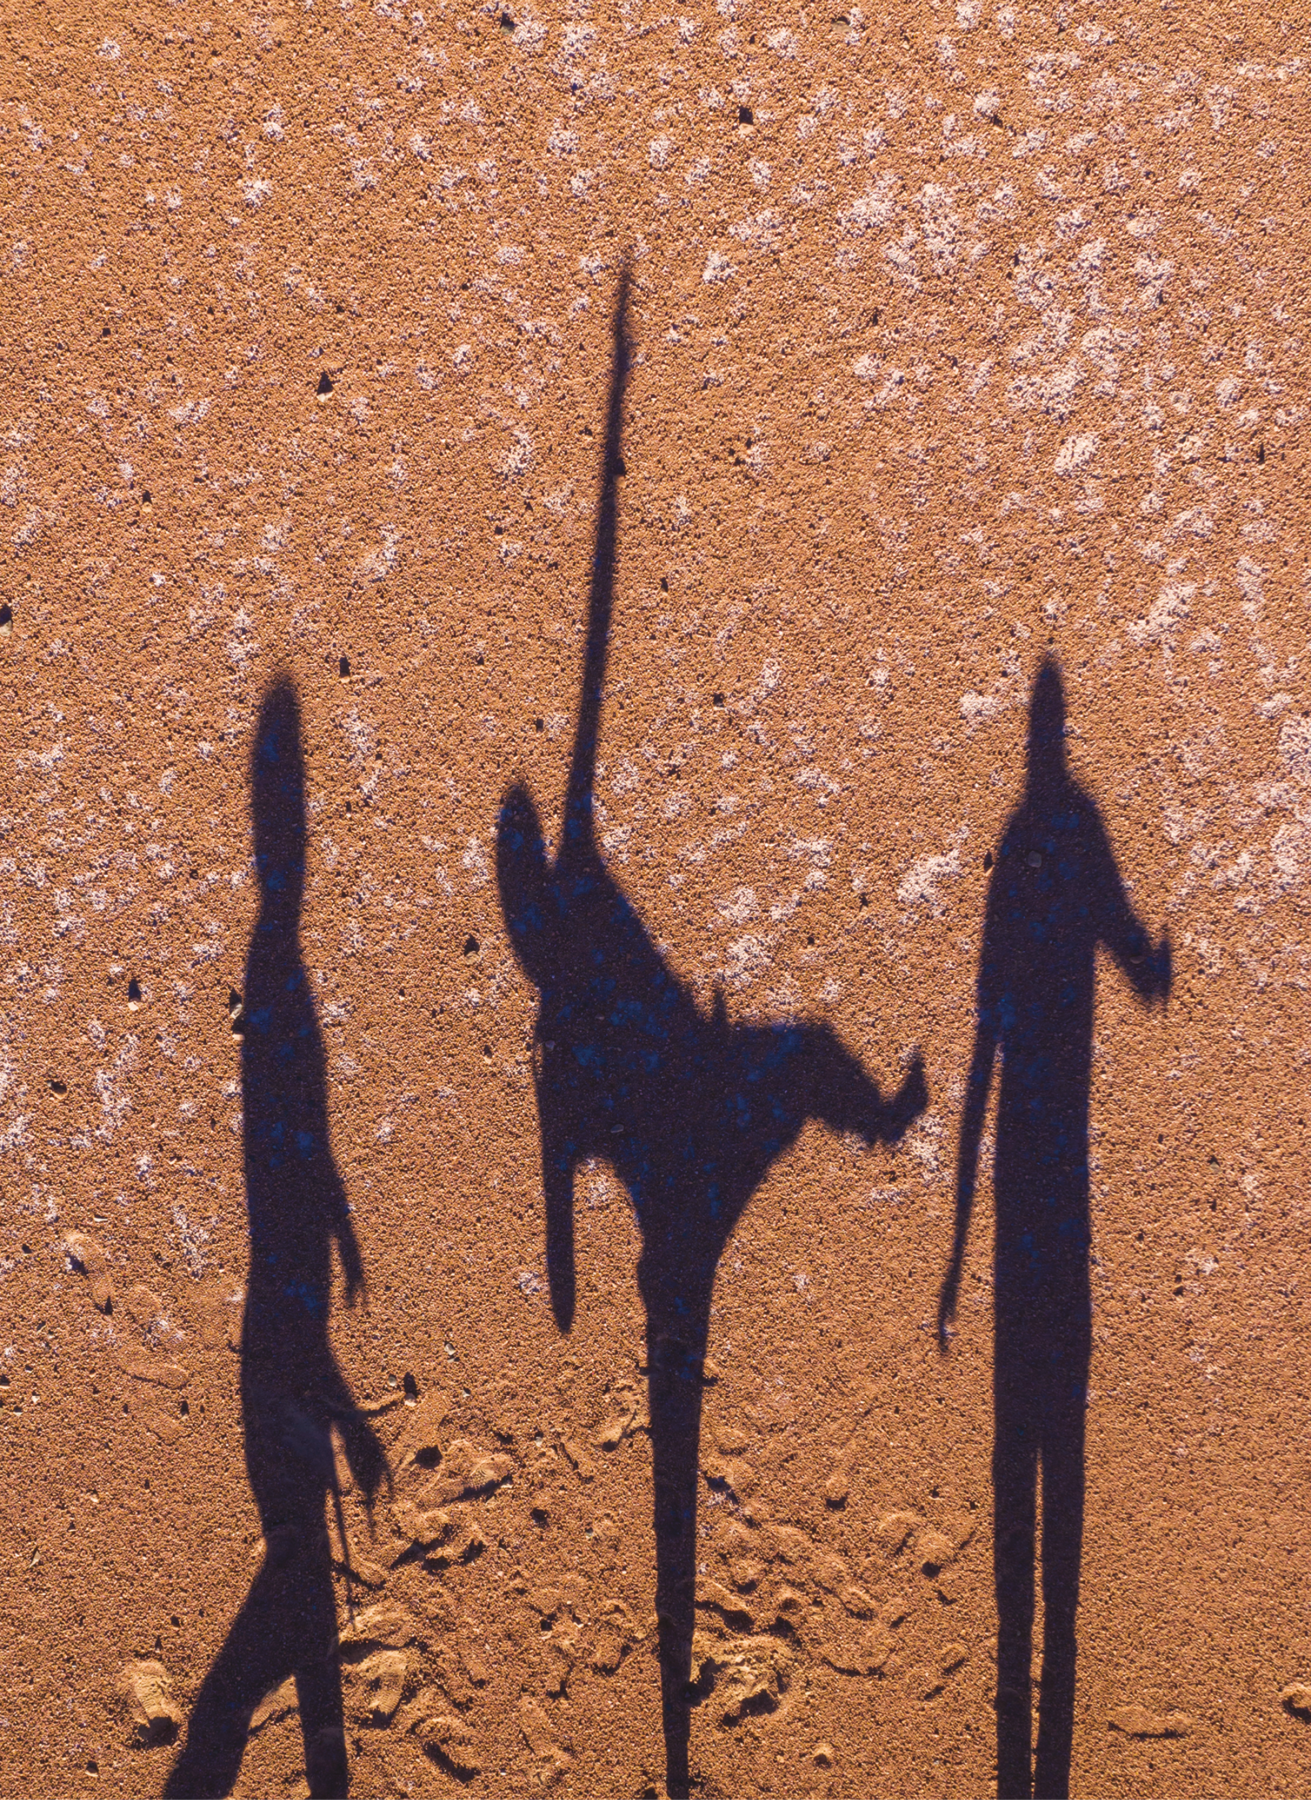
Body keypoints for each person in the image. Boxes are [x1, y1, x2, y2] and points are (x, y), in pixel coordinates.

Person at [498, 271, 927, 1799]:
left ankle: (675, 1731)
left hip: (670, 1148)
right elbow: (590, 700)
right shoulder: (569, 932)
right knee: (801, 1059)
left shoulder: (563, 967)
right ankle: (882, 1123)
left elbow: (588, 704)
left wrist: (558, 1258)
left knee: (677, 1343)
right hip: (693, 1108)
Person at [938, 660, 1170, 1800]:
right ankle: (1057, 1654)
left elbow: (983, 1036)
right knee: (1059, 1383)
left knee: (1012, 1404)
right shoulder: (1072, 828)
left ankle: (1023, 1689)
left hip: (1021, 1153)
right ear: (1060, 731)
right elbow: (1129, 945)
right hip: (1062, 1152)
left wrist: (953, 1233)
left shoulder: (1031, 838)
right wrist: (1156, 966)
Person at [165, 681, 386, 1800]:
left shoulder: (273, 977)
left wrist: (346, 1424)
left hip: (278, 1347)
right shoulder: (275, 977)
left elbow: (289, 1172)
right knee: (287, 1605)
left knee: (290, 1602)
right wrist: (348, 1424)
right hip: (279, 1361)